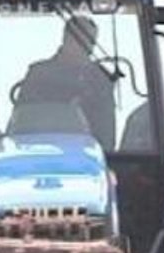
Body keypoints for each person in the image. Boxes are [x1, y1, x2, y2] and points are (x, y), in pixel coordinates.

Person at [15, 16, 116, 151]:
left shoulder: (100, 79)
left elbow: (106, 134)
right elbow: (20, 124)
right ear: (66, 39)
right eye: (80, 40)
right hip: (37, 155)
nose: (87, 47)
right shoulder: (39, 75)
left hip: (87, 159)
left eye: (91, 42)